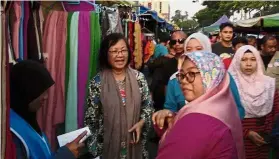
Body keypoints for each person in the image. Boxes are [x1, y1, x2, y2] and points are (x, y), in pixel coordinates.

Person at [156, 51, 245, 159]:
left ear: (212, 77)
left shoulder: (197, 121)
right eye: (182, 75)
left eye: (191, 74)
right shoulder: (222, 109)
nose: (183, 81)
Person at [153, 33, 245, 131]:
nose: (193, 53)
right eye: (188, 50)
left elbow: (238, 110)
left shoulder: (223, 77)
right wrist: (167, 114)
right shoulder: (175, 79)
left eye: (199, 49)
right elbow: (170, 109)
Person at [84, 33, 154, 159]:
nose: (120, 55)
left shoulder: (139, 79)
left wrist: (141, 122)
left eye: (123, 50)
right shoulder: (97, 83)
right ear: (106, 54)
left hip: (135, 146)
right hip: (106, 147)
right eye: (114, 51)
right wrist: (94, 150)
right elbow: (91, 119)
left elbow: (148, 107)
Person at [10, 60, 86, 159]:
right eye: (40, 91)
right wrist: (65, 155)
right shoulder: (12, 134)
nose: (45, 97)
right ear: (26, 92)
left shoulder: (26, 119)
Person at [228, 45, 279, 159]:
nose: (249, 64)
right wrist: (246, 133)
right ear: (237, 62)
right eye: (244, 59)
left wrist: (267, 132)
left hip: (264, 139)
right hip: (240, 138)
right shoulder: (230, 86)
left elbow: (276, 111)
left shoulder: (269, 84)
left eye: (253, 59)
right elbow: (226, 115)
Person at [150, 31, 187, 111]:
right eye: (174, 42)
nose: (177, 44)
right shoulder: (167, 63)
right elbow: (166, 86)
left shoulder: (191, 62)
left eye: (180, 41)